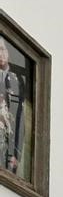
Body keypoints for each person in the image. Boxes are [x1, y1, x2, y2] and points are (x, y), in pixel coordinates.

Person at [1, 41, 26, 176]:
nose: (0, 54)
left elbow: (20, 121)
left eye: (2, 49)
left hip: (8, 149)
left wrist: (16, 153)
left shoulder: (17, 81)